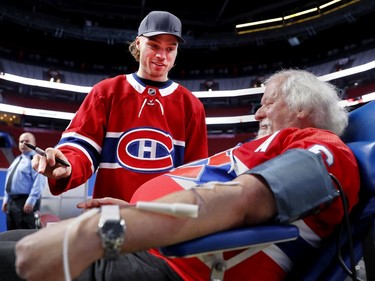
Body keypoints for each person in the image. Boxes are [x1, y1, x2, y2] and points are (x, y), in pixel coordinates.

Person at [0, 69, 360, 281]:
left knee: (15, 259)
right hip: (152, 241)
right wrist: (132, 209)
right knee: (13, 239)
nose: (258, 114)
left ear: (301, 107)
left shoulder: (325, 150)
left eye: (267, 102)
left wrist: (110, 228)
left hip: (174, 265)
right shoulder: (269, 147)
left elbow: (239, 201)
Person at [38, 10, 208, 202]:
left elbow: (195, 172)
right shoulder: (106, 92)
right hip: (111, 215)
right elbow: (82, 147)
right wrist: (67, 164)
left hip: (166, 220)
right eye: (154, 45)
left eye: (170, 48)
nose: (162, 55)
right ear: (138, 43)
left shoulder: (191, 105)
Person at [1, 132, 47, 230]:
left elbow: (39, 182)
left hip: (25, 201)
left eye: (27, 141)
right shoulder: (17, 160)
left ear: (34, 144)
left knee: (25, 233)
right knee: (11, 233)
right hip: (12, 202)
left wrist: (31, 200)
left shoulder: (35, 159)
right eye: (21, 141)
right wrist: (6, 199)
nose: (23, 144)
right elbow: (9, 181)